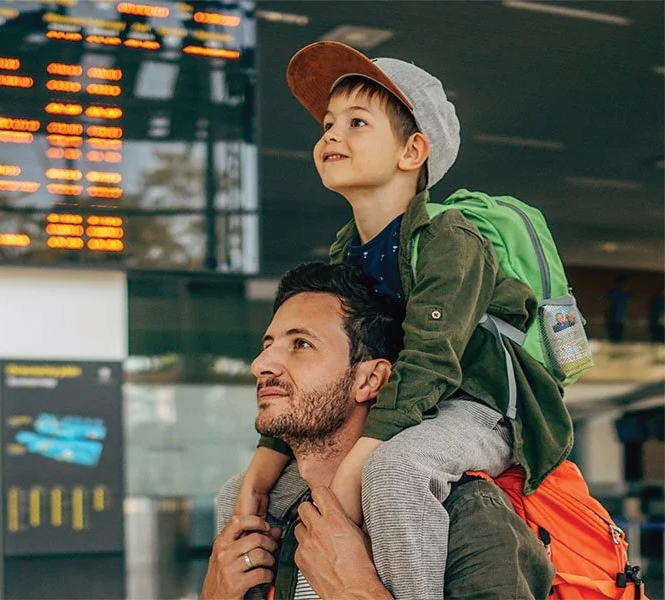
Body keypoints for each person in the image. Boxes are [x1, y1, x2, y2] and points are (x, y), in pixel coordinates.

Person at [233, 41, 572, 599]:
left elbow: (429, 360)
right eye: (327, 123)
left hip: (482, 410)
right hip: (415, 412)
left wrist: (353, 469)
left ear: (413, 150)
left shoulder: (448, 239)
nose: (331, 136)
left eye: (357, 122)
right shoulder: (350, 250)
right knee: (239, 494)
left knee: (392, 474)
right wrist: (261, 471)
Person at [203, 262, 555, 599]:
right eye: (267, 347)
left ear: (370, 380)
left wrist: (353, 592)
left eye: (301, 344)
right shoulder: (273, 516)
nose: (260, 365)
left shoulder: (465, 515)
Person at [606, 275, 630, 343]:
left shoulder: (625, 294)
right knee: (614, 334)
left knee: (618, 334)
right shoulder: (615, 293)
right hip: (614, 318)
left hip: (619, 318)